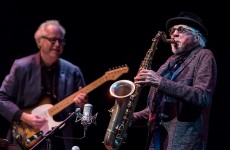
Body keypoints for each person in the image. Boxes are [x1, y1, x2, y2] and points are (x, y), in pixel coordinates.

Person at [133, 11, 217, 150]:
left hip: (184, 143)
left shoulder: (204, 55)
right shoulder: (168, 63)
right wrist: (130, 117)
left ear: (197, 36)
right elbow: (156, 110)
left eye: (181, 30)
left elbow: (202, 97)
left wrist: (161, 82)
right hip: (157, 141)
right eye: (172, 30)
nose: (174, 34)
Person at [0, 20, 88, 150]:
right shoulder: (21, 67)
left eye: (61, 40)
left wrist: (81, 105)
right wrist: (24, 117)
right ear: (39, 42)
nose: (57, 45)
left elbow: (82, 115)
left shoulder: (73, 71)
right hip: (24, 141)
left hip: (60, 142)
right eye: (52, 40)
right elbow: (1, 99)